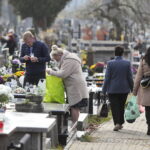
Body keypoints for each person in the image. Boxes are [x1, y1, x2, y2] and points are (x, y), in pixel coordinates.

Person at [46, 45, 89, 123]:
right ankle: (74, 125)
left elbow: (63, 73)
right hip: (74, 85)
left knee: (74, 106)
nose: (56, 61)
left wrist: (50, 72)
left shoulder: (69, 60)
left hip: (75, 86)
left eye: (56, 59)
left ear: (59, 55)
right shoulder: (66, 58)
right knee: (74, 106)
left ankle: (74, 126)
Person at [102, 46, 133, 131]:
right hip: (124, 89)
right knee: (121, 106)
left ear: (114, 53)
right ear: (122, 53)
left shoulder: (110, 63)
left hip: (112, 89)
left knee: (114, 107)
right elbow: (129, 77)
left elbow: (107, 77)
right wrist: (132, 89)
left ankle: (117, 123)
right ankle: (120, 123)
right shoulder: (127, 63)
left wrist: (103, 90)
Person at [133, 47, 150, 135]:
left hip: (146, 86)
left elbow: (138, 76)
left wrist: (135, 91)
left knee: (148, 108)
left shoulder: (144, 61)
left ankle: (149, 127)